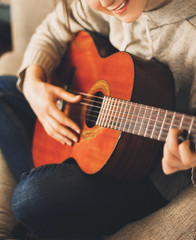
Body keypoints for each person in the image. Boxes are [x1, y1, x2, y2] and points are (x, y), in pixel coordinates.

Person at [0, 0, 195, 238]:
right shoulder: (109, 7)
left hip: (142, 177)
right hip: (95, 142)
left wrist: (186, 164)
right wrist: (33, 83)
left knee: (29, 197)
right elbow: (55, 26)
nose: (104, 1)